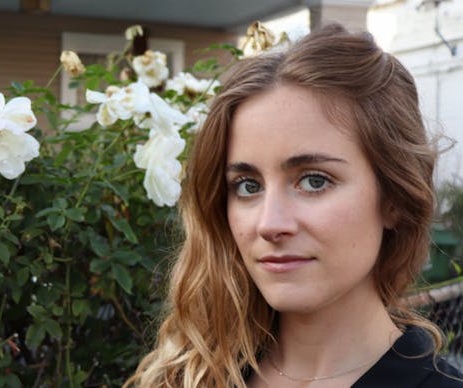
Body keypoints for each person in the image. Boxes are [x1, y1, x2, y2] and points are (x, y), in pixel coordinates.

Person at [126, 23, 463, 387]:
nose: (269, 224)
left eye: (314, 181)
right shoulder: (186, 377)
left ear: (395, 197)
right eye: (247, 186)